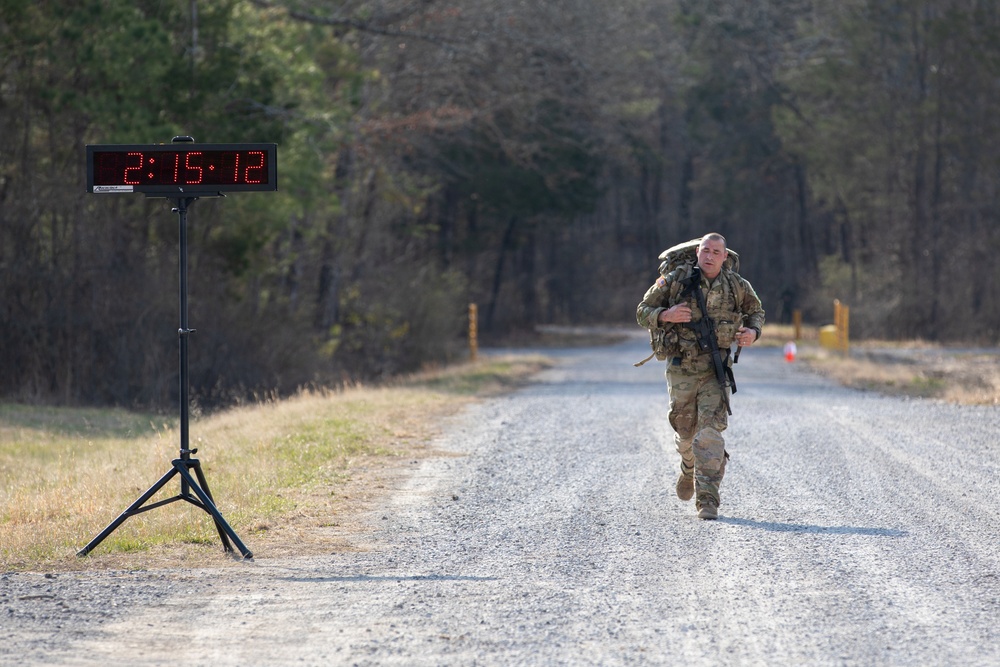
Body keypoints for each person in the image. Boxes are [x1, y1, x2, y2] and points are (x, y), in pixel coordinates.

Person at [636, 233, 765, 520]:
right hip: (681, 367)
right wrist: (666, 315)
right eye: (705, 250)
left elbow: (756, 312)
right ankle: (687, 466)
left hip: (714, 369)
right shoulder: (675, 279)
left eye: (715, 252)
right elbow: (642, 311)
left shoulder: (736, 285)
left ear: (724, 256)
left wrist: (752, 332)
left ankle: (708, 500)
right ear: (697, 252)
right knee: (685, 433)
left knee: (709, 434)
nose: (709, 256)